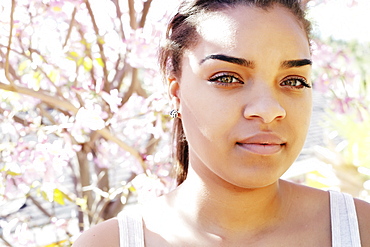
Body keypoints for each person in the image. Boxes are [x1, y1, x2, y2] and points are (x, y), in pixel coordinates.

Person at [73, 0, 370, 246]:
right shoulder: (108, 242)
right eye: (227, 78)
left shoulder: (360, 229)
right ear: (175, 93)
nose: (269, 110)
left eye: (293, 80)